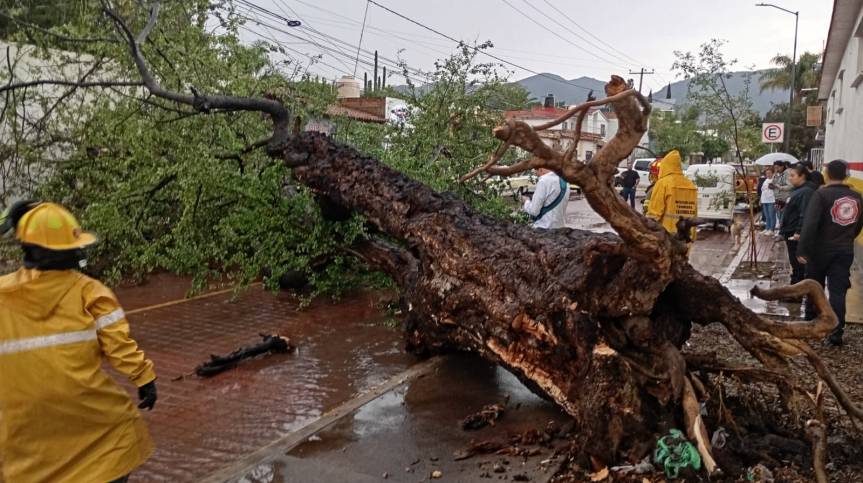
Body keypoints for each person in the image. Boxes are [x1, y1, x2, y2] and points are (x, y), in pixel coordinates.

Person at [0, 201, 157, 483]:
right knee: (123, 436)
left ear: (25, 247)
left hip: (27, 440)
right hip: (95, 428)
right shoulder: (90, 292)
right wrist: (144, 378)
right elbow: (118, 344)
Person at [798, 160, 863, 346]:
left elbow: (810, 225)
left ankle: (812, 323)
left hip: (819, 250)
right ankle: (836, 332)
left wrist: (803, 249)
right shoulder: (857, 196)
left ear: (827, 174)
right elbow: (858, 224)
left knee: (814, 287)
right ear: (847, 174)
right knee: (838, 291)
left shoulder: (821, 195)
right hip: (844, 250)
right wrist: (847, 238)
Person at [647, 149, 698, 240]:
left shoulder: (663, 183)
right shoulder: (690, 184)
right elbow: (694, 212)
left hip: (667, 236)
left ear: (665, 166)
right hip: (687, 235)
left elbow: (654, 214)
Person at [778, 164, 816, 285]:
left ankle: (797, 291)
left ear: (802, 176)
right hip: (790, 231)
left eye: (793, 175)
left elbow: (804, 214)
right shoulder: (798, 190)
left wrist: (798, 232)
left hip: (796, 234)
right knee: (795, 263)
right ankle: (795, 287)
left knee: (798, 264)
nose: (790, 178)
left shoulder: (806, 192)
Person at [759, 167, 777, 234]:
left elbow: (776, 189)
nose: (768, 174)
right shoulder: (765, 180)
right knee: (766, 215)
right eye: (767, 173)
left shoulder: (774, 180)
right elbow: (762, 190)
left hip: (771, 200)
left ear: (773, 173)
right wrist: (760, 200)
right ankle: (767, 228)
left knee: (771, 215)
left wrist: (773, 186)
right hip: (764, 200)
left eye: (769, 173)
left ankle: (772, 229)